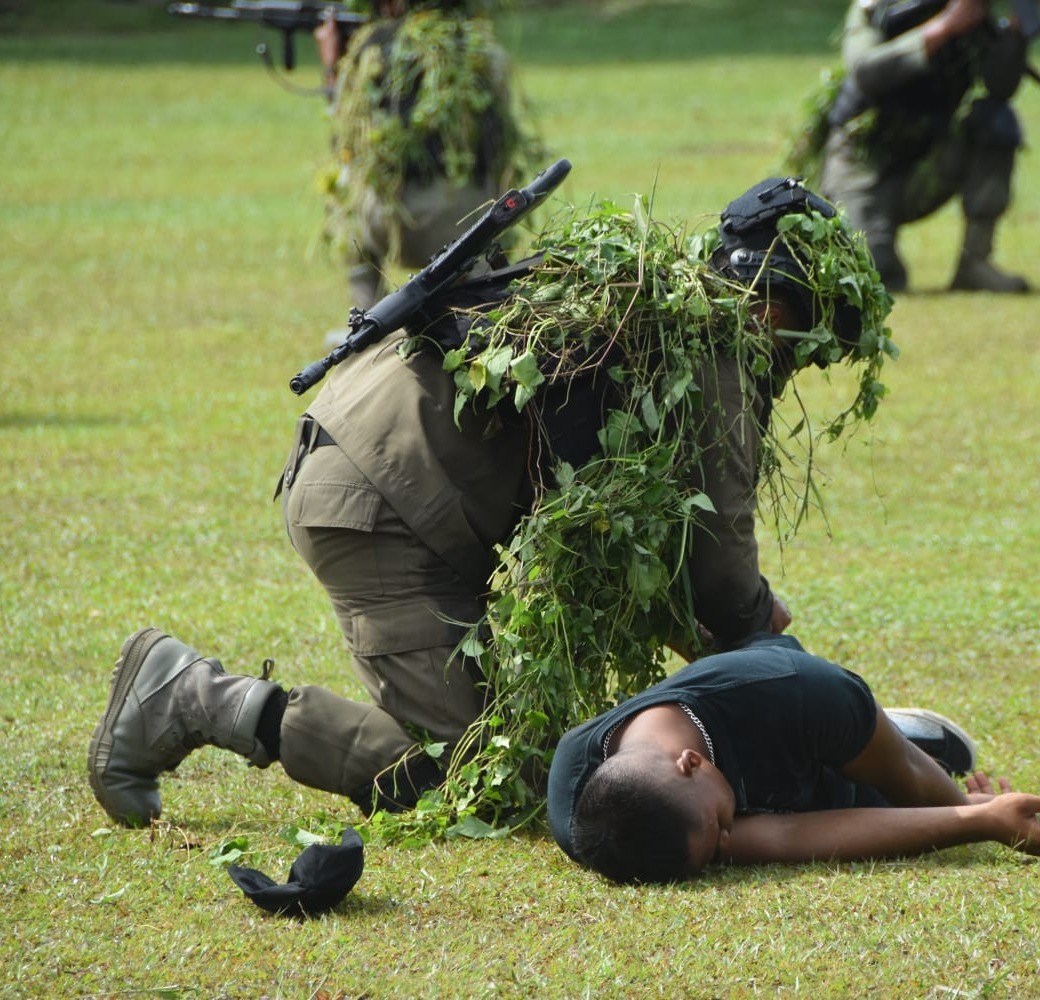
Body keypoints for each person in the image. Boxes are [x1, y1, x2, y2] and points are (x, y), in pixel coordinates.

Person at [86, 176, 882, 828]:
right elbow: (716, 569)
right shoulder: (717, 353)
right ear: (775, 309)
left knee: (531, 752)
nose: (796, 362)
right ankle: (195, 698)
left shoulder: (656, 299)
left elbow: (646, 547)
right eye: (805, 341)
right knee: (476, 778)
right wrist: (784, 679)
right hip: (383, 504)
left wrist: (738, 645)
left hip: (383, 468)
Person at [548, 632, 1040, 884]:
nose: (731, 844)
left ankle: (891, 729)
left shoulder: (798, 694)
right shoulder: (593, 819)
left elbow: (909, 779)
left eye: (718, 831)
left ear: (691, 762)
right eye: (715, 853)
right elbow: (784, 838)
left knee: (898, 787)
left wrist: (971, 808)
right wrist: (980, 821)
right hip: (792, 747)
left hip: (814, 729)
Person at [316, 0, 535, 313]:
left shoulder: (371, 52)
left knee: (345, 188)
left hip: (396, 228)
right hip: (472, 232)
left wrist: (331, 68)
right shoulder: (486, 53)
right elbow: (502, 149)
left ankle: (366, 320)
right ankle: (488, 301)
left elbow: (343, 139)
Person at [816, 0, 1036, 293]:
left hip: (926, 164)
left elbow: (1000, 86)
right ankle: (876, 243)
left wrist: (1016, 32)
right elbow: (866, 71)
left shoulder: (970, 11)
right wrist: (942, 29)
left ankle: (975, 264)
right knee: (877, 274)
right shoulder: (877, 7)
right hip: (862, 167)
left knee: (995, 121)